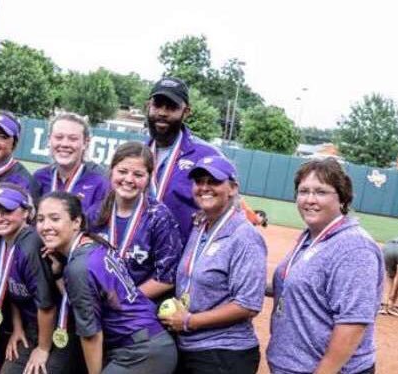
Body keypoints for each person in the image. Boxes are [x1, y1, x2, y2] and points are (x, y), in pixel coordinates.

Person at [38, 192, 177, 374]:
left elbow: (91, 335)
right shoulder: (93, 246)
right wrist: (58, 274)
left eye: (55, 219)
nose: (45, 226)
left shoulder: (79, 266)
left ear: (76, 222)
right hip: (150, 345)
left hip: (140, 352)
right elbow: (82, 299)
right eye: (40, 219)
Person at [267, 158, 383, 374]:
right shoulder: (311, 237)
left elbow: (353, 322)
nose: (310, 199)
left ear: (342, 198)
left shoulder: (354, 247)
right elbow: (306, 288)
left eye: (320, 192)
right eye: (303, 191)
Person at [158, 156, 266, 374]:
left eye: (213, 181)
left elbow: (248, 304)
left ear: (233, 188)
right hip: (191, 348)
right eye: (199, 181)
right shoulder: (200, 226)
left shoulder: (244, 236)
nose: (204, 187)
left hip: (224, 352)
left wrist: (190, 321)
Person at [0, 183, 78, 374]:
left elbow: (47, 307)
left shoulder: (31, 246)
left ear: (26, 213)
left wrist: (42, 349)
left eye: (7, 211)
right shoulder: (4, 242)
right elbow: (13, 290)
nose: (0, 218)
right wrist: (18, 328)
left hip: (61, 327)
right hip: (31, 326)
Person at [89, 141, 182, 300]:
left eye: (138, 175)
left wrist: (126, 299)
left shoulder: (159, 217)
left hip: (137, 310)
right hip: (98, 304)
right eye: (123, 171)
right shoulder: (94, 214)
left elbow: (167, 277)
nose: (129, 179)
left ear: (149, 178)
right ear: (111, 171)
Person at [143, 77, 224, 242]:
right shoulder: (136, 154)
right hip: (138, 256)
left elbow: (230, 200)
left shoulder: (207, 155)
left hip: (182, 258)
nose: (162, 113)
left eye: (171, 107)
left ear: (185, 112)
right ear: (148, 106)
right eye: (157, 105)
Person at [33, 112, 111, 213]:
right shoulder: (39, 178)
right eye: (59, 137)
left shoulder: (100, 183)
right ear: (49, 140)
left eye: (73, 139)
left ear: (85, 143)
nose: (65, 144)